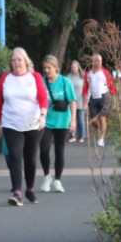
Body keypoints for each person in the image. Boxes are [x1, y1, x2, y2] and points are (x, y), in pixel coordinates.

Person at [0, 47, 47, 206]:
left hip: (32, 123)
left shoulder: (35, 77)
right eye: (13, 60)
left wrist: (43, 116)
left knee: (30, 158)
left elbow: (42, 97)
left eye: (19, 60)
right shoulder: (6, 78)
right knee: (15, 155)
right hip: (11, 124)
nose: (16, 63)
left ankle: (29, 189)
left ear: (26, 61)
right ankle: (17, 192)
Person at [38, 55, 76, 195]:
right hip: (46, 121)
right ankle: (47, 176)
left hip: (62, 121)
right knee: (44, 149)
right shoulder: (41, 82)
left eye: (49, 68)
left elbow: (72, 102)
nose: (46, 70)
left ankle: (58, 180)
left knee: (59, 150)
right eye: (44, 68)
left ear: (56, 68)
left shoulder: (65, 82)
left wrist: (73, 120)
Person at [83, 54, 116, 147]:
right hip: (93, 97)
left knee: (102, 118)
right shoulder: (88, 74)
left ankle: (101, 138)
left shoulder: (105, 73)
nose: (98, 62)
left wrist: (114, 97)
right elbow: (85, 88)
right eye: (96, 60)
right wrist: (85, 101)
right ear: (93, 61)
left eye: (100, 61)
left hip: (104, 97)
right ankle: (100, 131)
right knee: (93, 120)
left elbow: (111, 85)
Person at [66, 60, 86, 143]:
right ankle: (72, 135)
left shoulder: (82, 76)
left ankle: (81, 135)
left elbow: (86, 89)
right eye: (72, 67)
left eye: (75, 67)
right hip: (70, 101)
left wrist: (86, 101)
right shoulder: (68, 77)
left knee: (80, 119)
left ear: (78, 68)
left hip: (80, 100)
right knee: (71, 119)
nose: (73, 69)